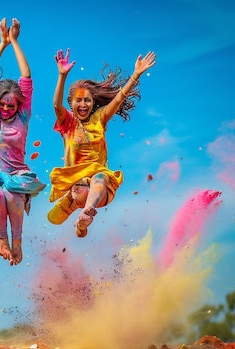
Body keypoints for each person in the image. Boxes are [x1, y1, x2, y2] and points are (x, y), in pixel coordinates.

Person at [47, 49, 156, 237]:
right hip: (78, 185)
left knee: (98, 177)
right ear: (71, 103)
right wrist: (62, 76)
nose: (83, 105)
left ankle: (86, 211)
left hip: (100, 189)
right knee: (53, 218)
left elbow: (119, 98)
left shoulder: (99, 118)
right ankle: (80, 222)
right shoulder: (68, 123)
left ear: (93, 102)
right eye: (78, 101)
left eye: (87, 100)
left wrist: (136, 74)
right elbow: (56, 105)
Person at [0, 18, 45, 266]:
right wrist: (1, 44)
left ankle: (18, 243)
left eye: (10, 105)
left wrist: (14, 41)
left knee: (11, 192)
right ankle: (1, 240)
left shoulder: (23, 116)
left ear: (18, 106)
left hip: (17, 178)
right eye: (1, 104)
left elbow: (26, 77)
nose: (4, 108)